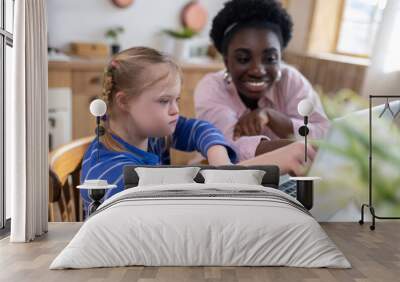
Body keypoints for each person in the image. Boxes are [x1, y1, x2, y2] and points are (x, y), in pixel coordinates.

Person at [81, 46, 316, 217]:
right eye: (164, 101)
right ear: (124, 102)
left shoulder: (149, 132)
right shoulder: (106, 170)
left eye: (177, 99)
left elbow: (198, 128)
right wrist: (247, 169)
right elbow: (173, 200)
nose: (175, 110)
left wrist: (219, 157)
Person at [194, 0, 329, 162]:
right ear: (226, 62)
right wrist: (299, 149)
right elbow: (227, 147)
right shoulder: (211, 88)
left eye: (270, 58)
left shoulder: (291, 80)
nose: (258, 70)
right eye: (243, 58)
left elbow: (324, 132)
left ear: (280, 59)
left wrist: (274, 118)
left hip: (287, 177)